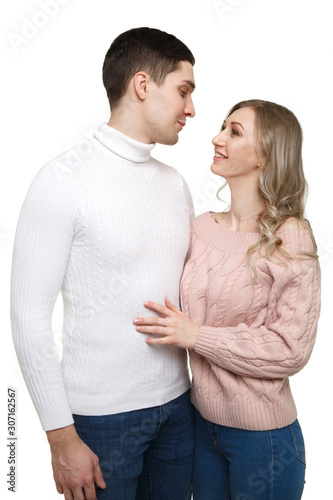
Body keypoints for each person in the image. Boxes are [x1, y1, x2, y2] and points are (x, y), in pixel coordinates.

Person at [11, 27, 196, 500]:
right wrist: (60, 436)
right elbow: (29, 319)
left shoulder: (174, 184)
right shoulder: (60, 180)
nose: (191, 109)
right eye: (183, 91)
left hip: (180, 411)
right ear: (141, 86)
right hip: (101, 422)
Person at [134, 99, 321, 499]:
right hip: (201, 426)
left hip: (264, 442)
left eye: (234, 132)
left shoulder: (290, 235)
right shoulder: (200, 229)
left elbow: (291, 349)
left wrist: (198, 337)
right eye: (222, 127)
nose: (216, 138)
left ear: (267, 154)